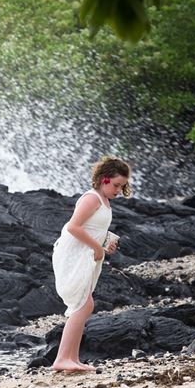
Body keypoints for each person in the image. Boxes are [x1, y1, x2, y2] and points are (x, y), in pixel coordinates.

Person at [51, 156, 132, 372]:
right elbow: (74, 227)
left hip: (86, 252)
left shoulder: (104, 201)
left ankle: (72, 358)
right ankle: (62, 358)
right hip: (73, 253)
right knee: (83, 304)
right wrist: (97, 248)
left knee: (84, 304)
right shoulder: (92, 198)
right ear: (104, 179)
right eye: (116, 185)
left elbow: (92, 228)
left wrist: (105, 243)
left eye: (122, 186)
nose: (118, 190)